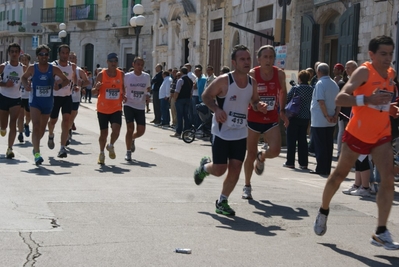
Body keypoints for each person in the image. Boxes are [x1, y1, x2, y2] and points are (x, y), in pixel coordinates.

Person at [314, 35, 399, 250]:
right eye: (383, 54)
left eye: (391, 53)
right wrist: (366, 100)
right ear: (371, 54)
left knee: (388, 178)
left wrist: (390, 108)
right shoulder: (364, 71)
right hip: (358, 133)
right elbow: (340, 99)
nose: (388, 58)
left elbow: (382, 102)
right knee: (339, 175)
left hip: (381, 134)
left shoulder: (391, 74)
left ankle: (380, 231)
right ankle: (324, 209)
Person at [193, 45, 267, 216]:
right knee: (220, 169)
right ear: (234, 62)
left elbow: (254, 101)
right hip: (221, 131)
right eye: (242, 59)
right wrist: (216, 110)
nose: (246, 62)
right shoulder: (224, 80)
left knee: (235, 168)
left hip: (240, 132)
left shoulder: (252, 83)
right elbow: (206, 96)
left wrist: (259, 105)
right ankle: (204, 168)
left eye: (248, 59)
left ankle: (222, 201)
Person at [242, 45, 289, 200]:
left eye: (271, 57)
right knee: (250, 154)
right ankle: (247, 186)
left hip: (271, 118)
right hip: (253, 118)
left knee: (275, 150)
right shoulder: (252, 74)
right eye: (265, 57)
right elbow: (247, 95)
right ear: (259, 59)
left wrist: (282, 110)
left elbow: (283, 91)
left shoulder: (280, 74)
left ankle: (262, 157)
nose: (268, 60)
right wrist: (256, 105)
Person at [21, 45, 70, 165]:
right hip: (35, 101)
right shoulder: (33, 68)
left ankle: (35, 146)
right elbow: (23, 77)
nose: (44, 57)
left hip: (48, 102)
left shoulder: (53, 69)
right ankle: (37, 153)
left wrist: (58, 86)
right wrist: (26, 84)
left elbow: (66, 80)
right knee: (36, 125)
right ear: (37, 56)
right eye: (41, 54)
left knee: (42, 129)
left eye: (46, 54)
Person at [92, 53, 125, 165]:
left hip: (116, 107)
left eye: (115, 61)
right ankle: (101, 153)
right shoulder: (101, 75)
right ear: (107, 62)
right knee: (104, 133)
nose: (113, 63)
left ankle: (110, 145)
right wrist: (96, 88)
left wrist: (123, 95)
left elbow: (123, 88)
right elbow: (93, 91)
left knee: (116, 130)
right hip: (103, 108)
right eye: (111, 61)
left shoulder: (121, 74)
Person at [47, 44, 78, 158]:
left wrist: (75, 86)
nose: (65, 55)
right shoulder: (53, 65)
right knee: (53, 121)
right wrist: (53, 85)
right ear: (59, 53)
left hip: (67, 97)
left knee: (66, 121)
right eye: (63, 53)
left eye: (67, 53)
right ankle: (51, 134)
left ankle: (62, 148)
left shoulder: (72, 66)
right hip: (55, 97)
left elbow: (73, 78)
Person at [309, 63, 340, 175]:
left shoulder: (320, 83)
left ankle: (321, 168)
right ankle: (326, 167)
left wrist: (326, 115)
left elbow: (321, 102)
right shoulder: (334, 84)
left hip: (320, 119)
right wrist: (335, 115)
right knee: (328, 144)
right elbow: (338, 102)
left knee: (320, 144)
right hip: (331, 118)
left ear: (319, 72)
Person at [0, 43, 28, 158]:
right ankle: (2, 128)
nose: (14, 54)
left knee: (13, 123)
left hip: (16, 98)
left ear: (19, 53)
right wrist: (5, 84)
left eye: (16, 51)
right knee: (3, 125)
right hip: (3, 96)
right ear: (9, 53)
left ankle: (10, 148)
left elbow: (28, 79)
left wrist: (28, 84)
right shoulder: (4, 66)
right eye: (12, 52)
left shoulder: (24, 68)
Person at [284, 70, 314, 169]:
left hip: (294, 116)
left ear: (300, 78)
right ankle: (303, 163)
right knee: (303, 140)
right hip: (306, 117)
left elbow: (287, 99)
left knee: (291, 140)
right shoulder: (311, 89)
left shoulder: (296, 88)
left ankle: (290, 162)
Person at [123, 57, 151, 161]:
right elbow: (122, 87)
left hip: (140, 106)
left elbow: (148, 88)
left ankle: (133, 138)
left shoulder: (146, 76)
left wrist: (148, 95)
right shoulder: (127, 76)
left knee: (141, 131)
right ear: (133, 65)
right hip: (129, 104)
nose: (140, 67)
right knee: (130, 128)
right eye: (138, 64)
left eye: (142, 65)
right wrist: (123, 95)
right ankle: (128, 152)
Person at [337, 60, 358, 158]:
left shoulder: (358, 81)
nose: (346, 69)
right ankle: (340, 152)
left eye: (349, 67)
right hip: (344, 111)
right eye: (346, 67)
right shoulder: (343, 82)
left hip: (355, 111)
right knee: (342, 131)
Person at [68, 51, 90, 144]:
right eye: (71, 58)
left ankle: (69, 126)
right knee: (66, 116)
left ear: (76, 60)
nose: (72, 60)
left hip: (75, 97)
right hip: (65, 96)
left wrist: (82, 85)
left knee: (73, 114)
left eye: (74, 58)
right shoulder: (63, 69)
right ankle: (67, 131)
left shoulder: (79, 70)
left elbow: (87, 82)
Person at [170, 67, 192, 138]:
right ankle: (186, 132)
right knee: (186, 116)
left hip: (180, 99)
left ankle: (178, 131)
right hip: (187, 99)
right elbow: (191, 92)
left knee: (179, 115)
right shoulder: (190, 80)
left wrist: (175, 99)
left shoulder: (180, 80)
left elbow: (177, 91)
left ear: (182, 72)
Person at [17, 53, 32, 143]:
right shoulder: (18, 70)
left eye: (26, 60)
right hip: (19, 96)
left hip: (29, 96)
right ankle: (20, 133)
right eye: (22, 60)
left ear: (28, 61)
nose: (24, 62)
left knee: (28, 116)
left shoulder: (32, 70)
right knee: (20, 115)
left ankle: (26, 125)